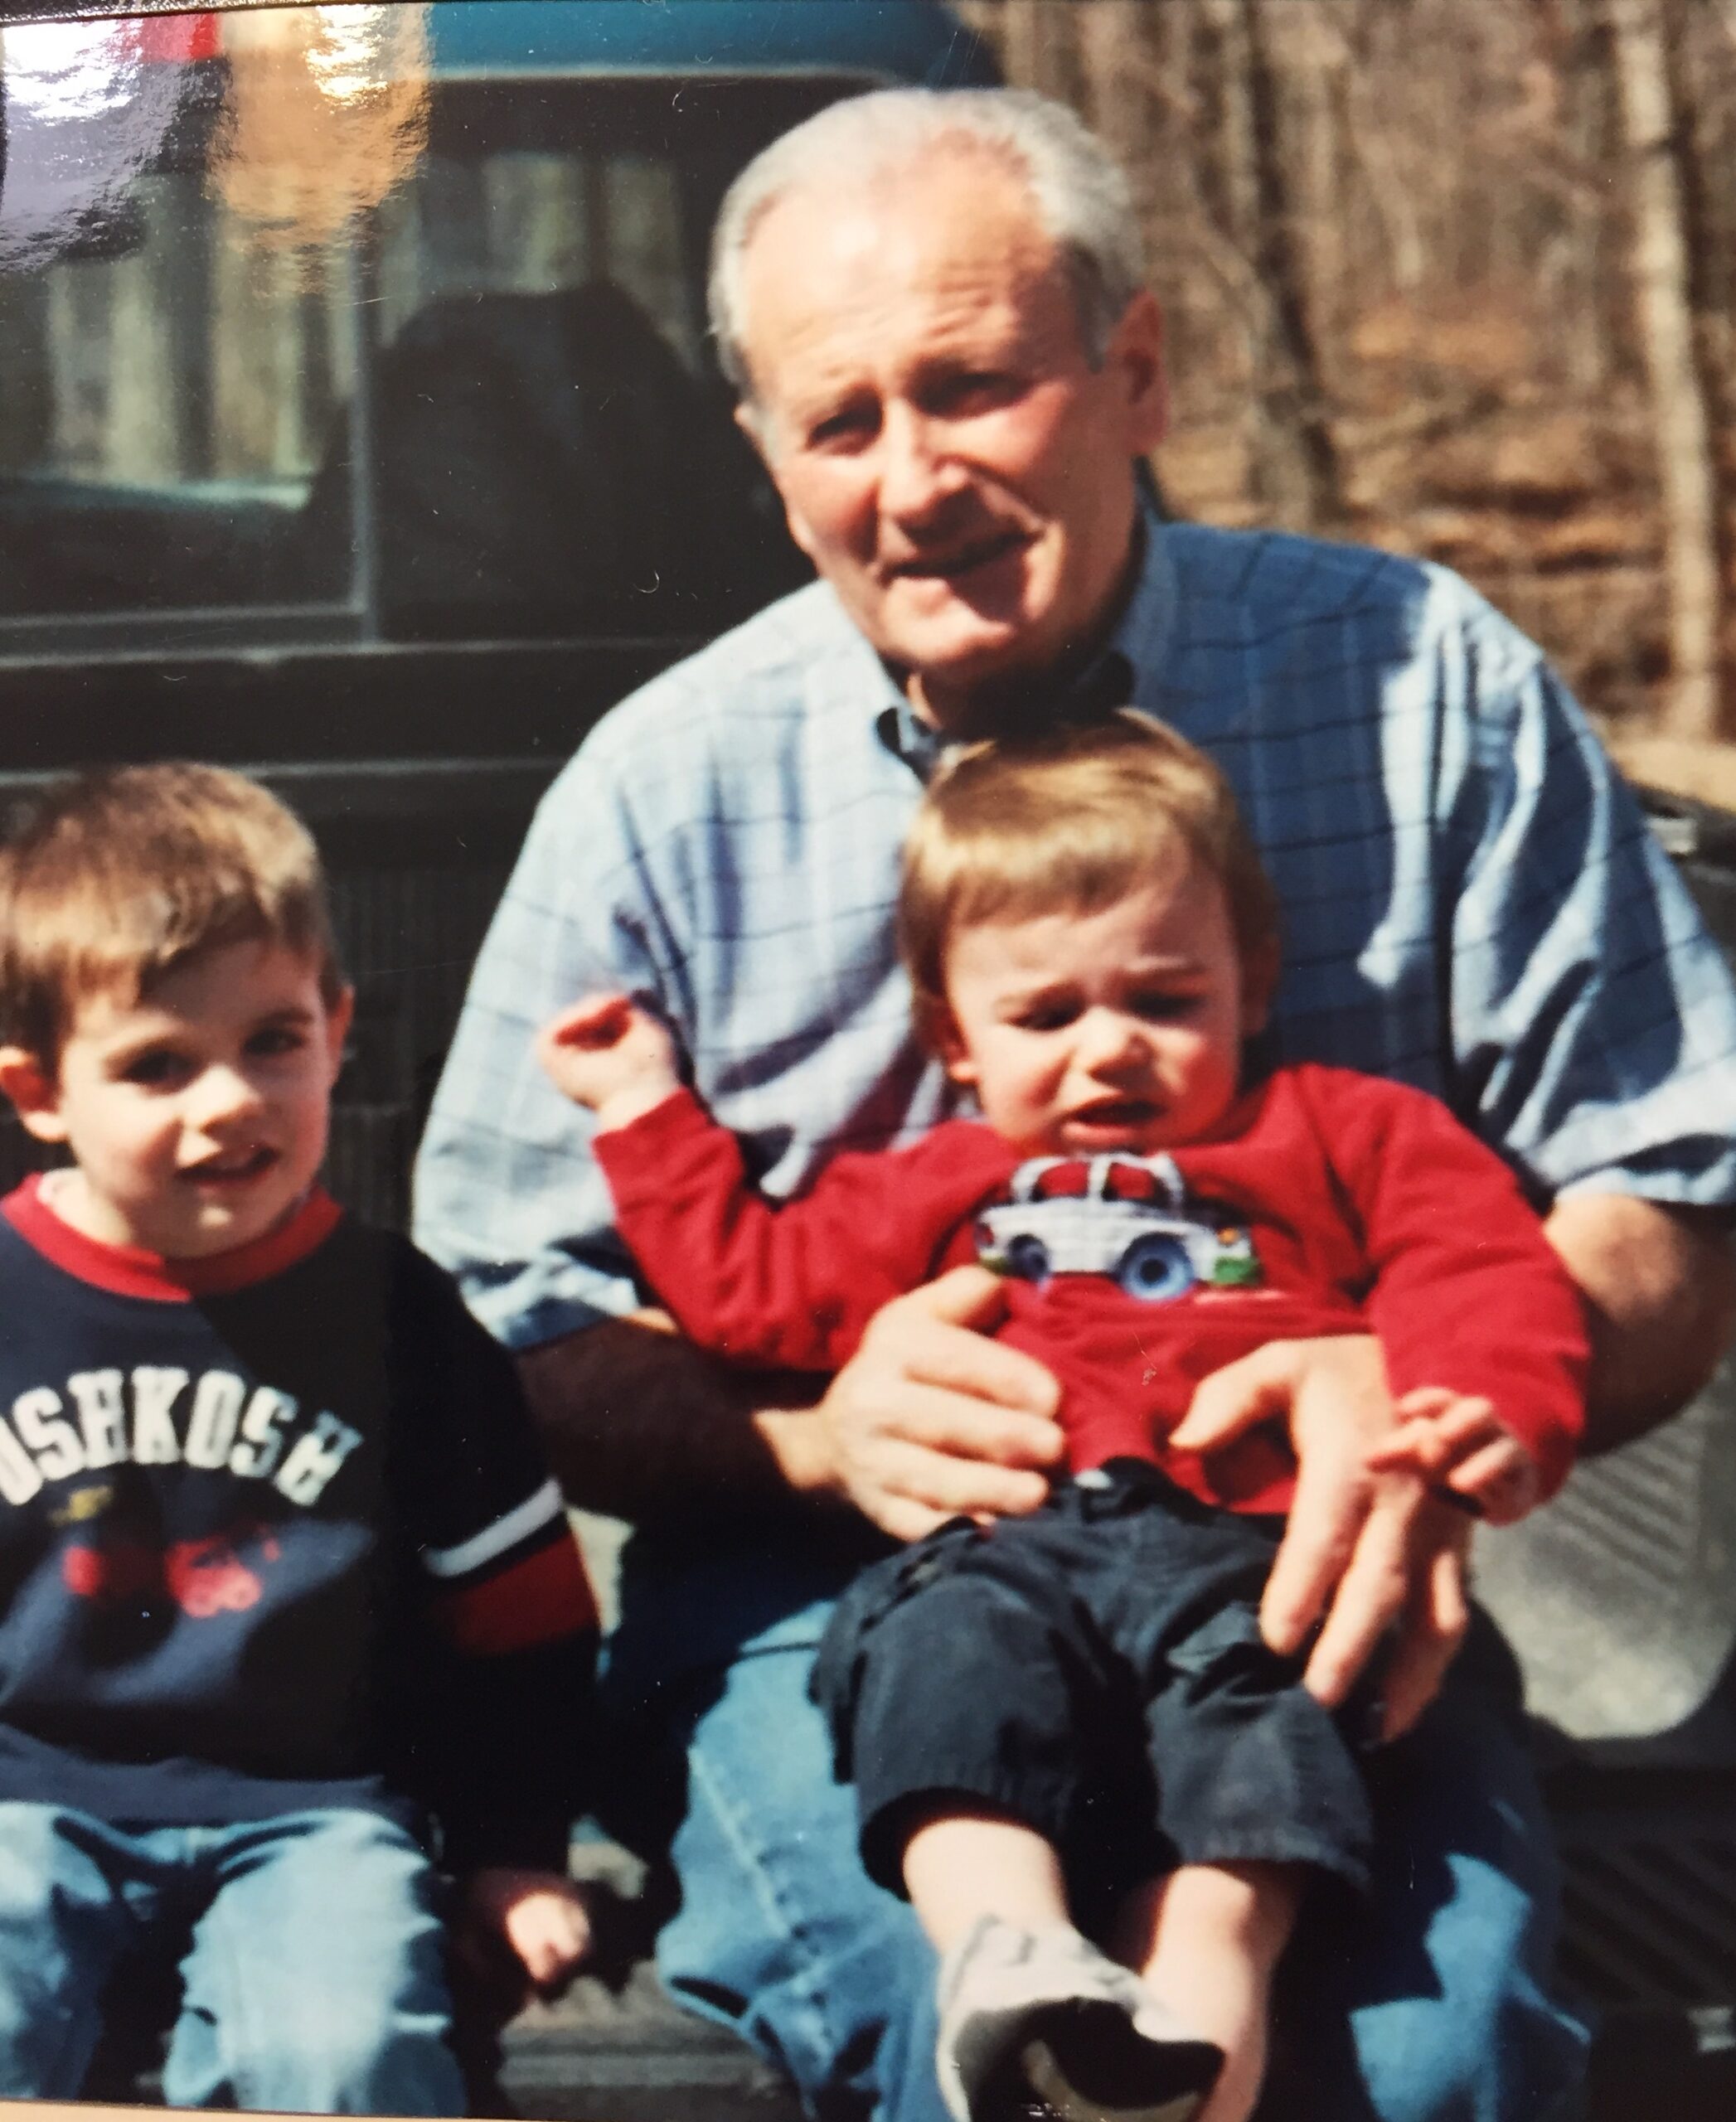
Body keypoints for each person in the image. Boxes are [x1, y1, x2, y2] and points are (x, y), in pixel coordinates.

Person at [415, 84, 1736, 2122]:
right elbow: (511, 1326)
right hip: (835, 1590)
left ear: (1135, 372)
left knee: (1427, 2053)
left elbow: (1659, 1184)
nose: (914, 477)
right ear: (768, 461)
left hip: (1304, 1564)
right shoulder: (660, 790)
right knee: (990, 2051)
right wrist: (807, 1433)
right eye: (840, 422)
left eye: (974, 386)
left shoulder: (1423, 687)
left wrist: (1420, 1401)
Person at [536, 713, 1589, 2122]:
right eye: (1045, 1017)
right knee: (939, 1673)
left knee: (1242, 1847)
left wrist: (1472, 1412)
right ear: (949, 1037)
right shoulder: (933, 1183)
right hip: (1003, 1546)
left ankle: (1168, 2077)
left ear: (1252, 981)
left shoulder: (1341, 1130)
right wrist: (643, 1109)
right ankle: (1007, 1952)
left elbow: (1479, 1268)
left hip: (1258, 1566)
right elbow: (749, 1292)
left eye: (1163, 1000)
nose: (1110, 1054)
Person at [0, 763, 597, 2112]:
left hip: (313, 1807)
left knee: (346, 2052)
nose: (230, 1101)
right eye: (157, 1064)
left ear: (336, 1028)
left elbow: (526, 1620)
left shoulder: (399, 1317)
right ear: (41, 1091)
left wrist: (513, 1849)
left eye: (271, 1041)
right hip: (22, 1795)